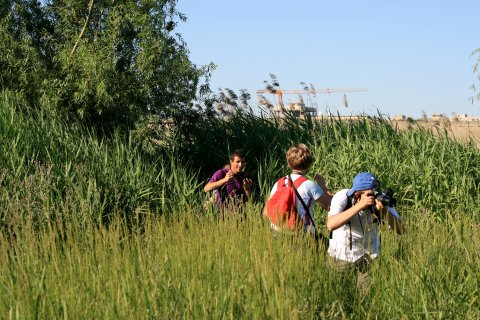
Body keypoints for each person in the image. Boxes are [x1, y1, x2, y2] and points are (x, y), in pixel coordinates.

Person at [327, 172, 404, 289]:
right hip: (342, 254)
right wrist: (359, 206)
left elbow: (402, 230)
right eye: (370, 194)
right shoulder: (342, 197)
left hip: (369, 254)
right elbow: (331, 224)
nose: (374, 197)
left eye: (375, 193)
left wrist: (384, 212)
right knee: (340, 291)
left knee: (366, 294)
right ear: (357, 194)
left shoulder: (381, 201)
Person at [265, 143, 333, 235]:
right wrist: (323, 186)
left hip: (276, 232)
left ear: (289, 164)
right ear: (309, 164)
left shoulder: (279, 183)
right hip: (300, 235)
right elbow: (330, 206)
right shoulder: (309, 185)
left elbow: (265, 212)